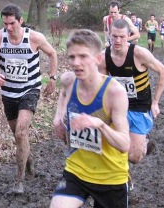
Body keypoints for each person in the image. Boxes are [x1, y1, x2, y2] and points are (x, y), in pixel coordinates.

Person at [0, 3, 58, 194]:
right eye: (5, 24)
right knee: (17, 135)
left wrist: (52, 78)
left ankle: (19, 181)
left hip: (30, 89)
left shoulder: (34, 37)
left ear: (21, 21)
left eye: (12, 23)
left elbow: (52, 54)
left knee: (20, 133)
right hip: (8, 92)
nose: (9, 28)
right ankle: (29, 163)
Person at [50, 29, 130, 208]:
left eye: (83, 56)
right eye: (72, 57)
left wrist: (99, 124)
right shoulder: (69, 80)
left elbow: (125, 144)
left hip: (111, 177)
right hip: (77, 170)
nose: (76, 63)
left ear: (98, 59)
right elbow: (63, 94)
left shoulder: (114, 92)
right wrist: (58, 117)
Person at [99, 19, 164, 167]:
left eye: (122, 37)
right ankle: (120, 178)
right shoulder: (104, 57)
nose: (118, 40)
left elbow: (163, 71)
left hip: (139, 106)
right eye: (114, 36)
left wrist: (155, 102)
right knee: (106, 142)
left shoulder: (139, 53)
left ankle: (145, 140)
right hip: (118, 106)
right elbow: (102, 85)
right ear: (109, 35)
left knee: (134, 157)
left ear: (129, 35)